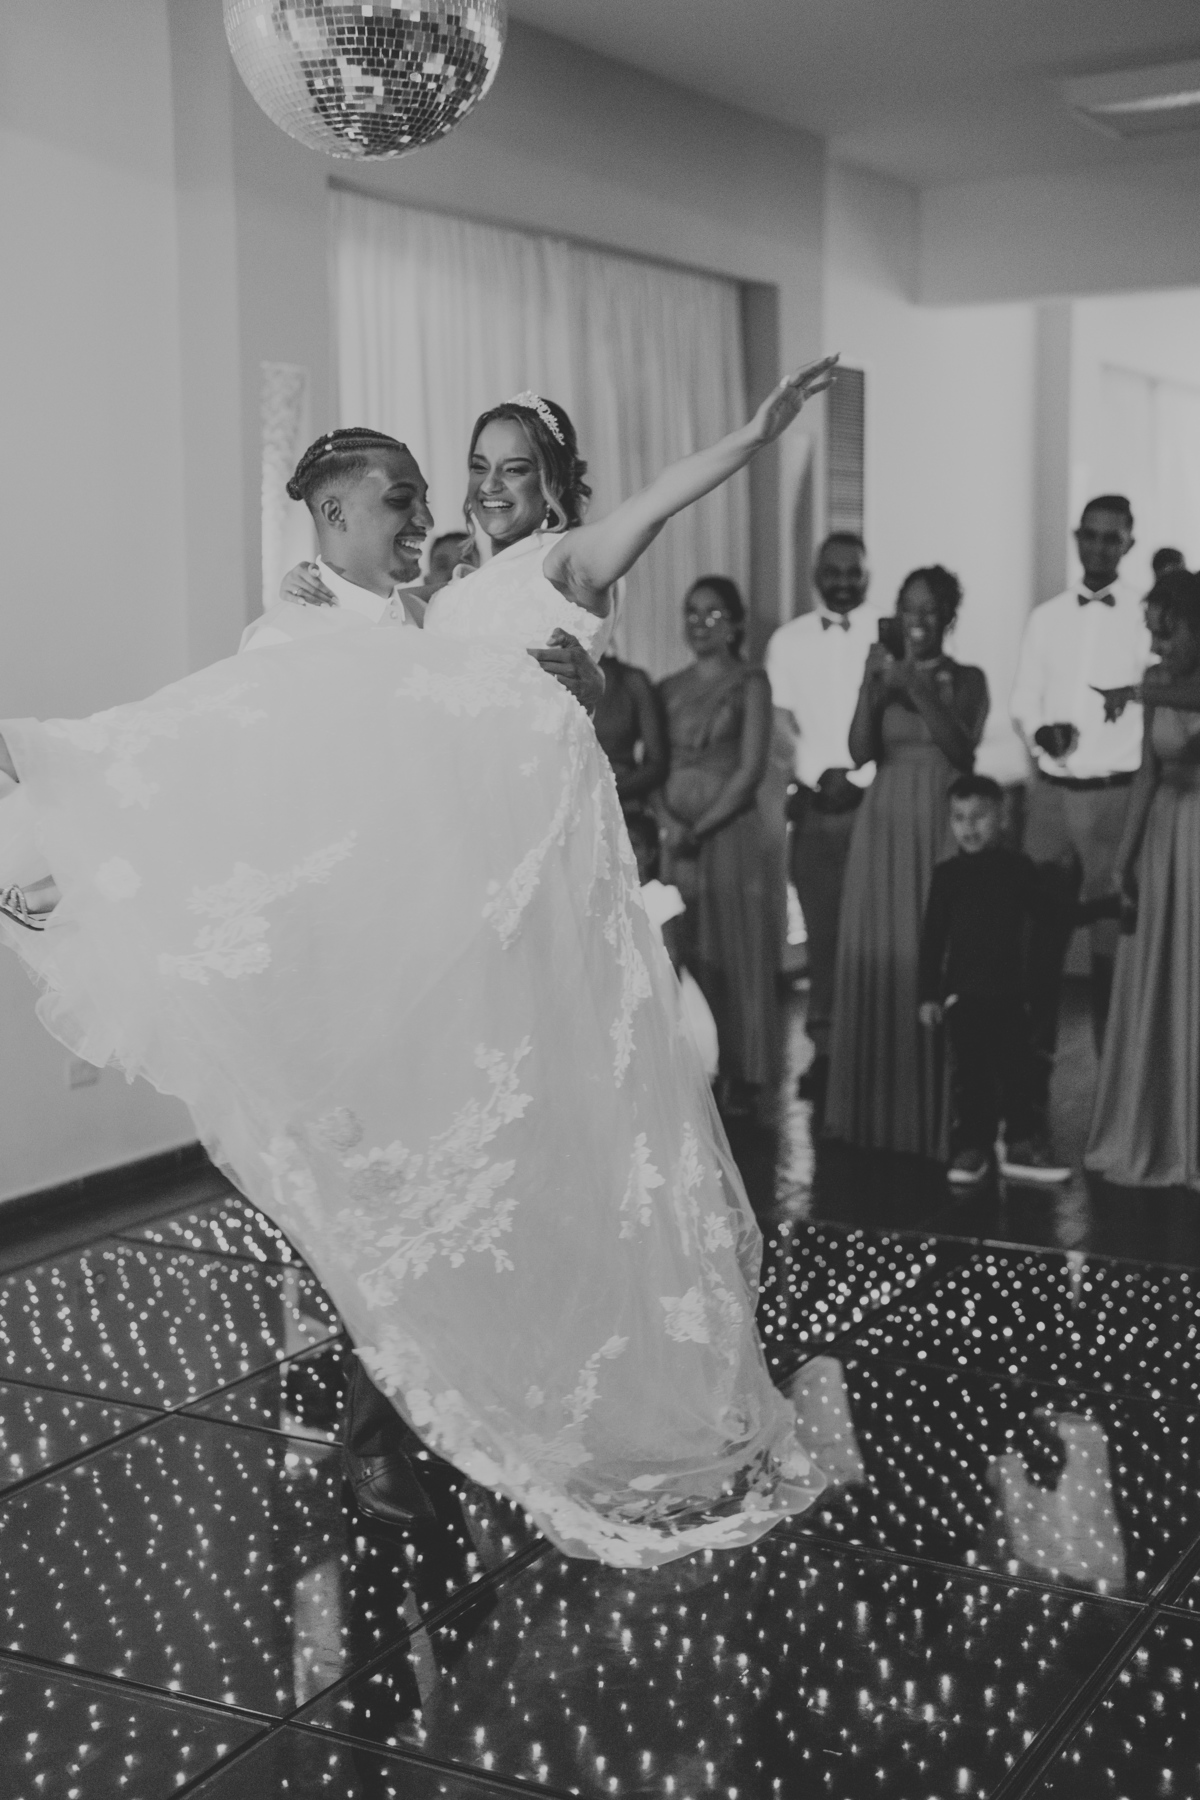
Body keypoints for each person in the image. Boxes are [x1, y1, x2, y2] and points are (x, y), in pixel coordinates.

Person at [0, 358, 837, 1568]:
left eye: (515, 471)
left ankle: (447, 1413)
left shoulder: (566, 562)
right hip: (452, 908)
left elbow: (658, 505)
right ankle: (403, 1423)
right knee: (444, 1173)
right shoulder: (437, 596)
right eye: (475, 469)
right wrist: (316, 608)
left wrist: (753, 437)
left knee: (516, 1169)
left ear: (555, 486)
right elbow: (362, 715)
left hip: (533, 900)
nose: (487, 488)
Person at [825, 566, 988, 1159]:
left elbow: (963, 751)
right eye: (907, 607)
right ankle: (876, 1116)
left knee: (933, 953)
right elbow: (859, 752)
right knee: (881, 956)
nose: (916, 619)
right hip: (885, 823)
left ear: (948, 617)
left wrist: (914, 684)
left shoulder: (967, 678)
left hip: (938, 821)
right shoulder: (882, 672)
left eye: (929, 609)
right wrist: (871, 686)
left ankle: (944, 1119)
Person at [1010, 495, 1152, 1148]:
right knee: (1038, 954)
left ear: (1128, 544)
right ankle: (1031, 1103)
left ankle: (1115, 1108)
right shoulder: (1045, 618)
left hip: (1116, 799)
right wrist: (1040, 732)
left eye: (1110, 538)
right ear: (1076, 538)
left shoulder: (1146, 620)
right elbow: (1024, 698)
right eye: (1089, 536)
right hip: (1049, 799)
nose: (1098, 547)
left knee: (1111, 961)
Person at [1087, 570, 1200, 1188]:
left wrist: (1132, 690)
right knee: (1163, 978)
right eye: (1153, 632)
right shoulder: (1156, 681)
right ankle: (1161, 1128)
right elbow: (1147, 774)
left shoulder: (1153, 686)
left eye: (1169, 631)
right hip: (1166, 836)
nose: (1158, 645)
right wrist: (1123, 860)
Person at [658, 577, 782, 1118]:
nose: (700, 624)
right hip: (674, 837)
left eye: (713, 614)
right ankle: (692, 1069)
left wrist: (700, 826)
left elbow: (751, 769)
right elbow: (654, 763)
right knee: (684, 947)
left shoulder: (751, 682)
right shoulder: (666, 687)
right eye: (692, 613)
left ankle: (744, 1072)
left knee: (736, 948)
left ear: (735, 624)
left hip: (728, 832)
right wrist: (668, 821)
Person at [766, 532, 879, 1111]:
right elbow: (782, 727)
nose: (842, 582)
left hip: (875, 805)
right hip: (815, 805)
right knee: (823, 935)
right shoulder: (787, 641)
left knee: (876, 933)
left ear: (868, 575)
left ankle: (875, 1051)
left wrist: (860, 777)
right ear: (815, 574)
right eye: (832, 571)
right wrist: (813, 778)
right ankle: (827, 1052)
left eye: (852, 572)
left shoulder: (887, 636)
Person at [918, 775, 1072, 1187]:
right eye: (959, 817)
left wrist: (1095, 904)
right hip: (963, 997)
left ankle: (1019, 1144)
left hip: (1009, 995)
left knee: (1018, 1071)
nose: (968, 827)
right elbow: (933, 939)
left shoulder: (1018, 869)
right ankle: (973, 1147)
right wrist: (928, 995)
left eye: (979, 816)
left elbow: (1049, 914)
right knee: (971, 1077)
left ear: (1001, 818)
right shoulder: (947, 875)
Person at [625, 809, 719, 1082]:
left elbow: (672, 952)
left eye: (635, 845)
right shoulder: (617, 899)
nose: (628, 852)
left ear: (651, 854)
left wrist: (665, 995)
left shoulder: (661, 895)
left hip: (662, 985)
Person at [593, 650, 669, 823]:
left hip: (621, 803)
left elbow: (656, 764)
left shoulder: (631, 680)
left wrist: (605, 791)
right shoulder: (547, 680)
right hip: (563, 802)